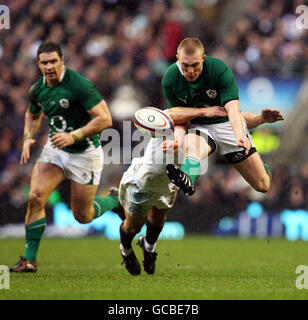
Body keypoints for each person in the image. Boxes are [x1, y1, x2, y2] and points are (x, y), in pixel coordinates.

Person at [118, 106, 284, 276]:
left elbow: (235, 120)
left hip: (169, 181)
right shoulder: (174, 114)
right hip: (145, 180)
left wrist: (260, 119)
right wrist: (197, 119)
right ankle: (125, 250)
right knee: (133, 227)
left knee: (158, 218)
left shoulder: (205, 120)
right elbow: (178, 121)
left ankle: (149, 248)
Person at [10, 41, 120, 273]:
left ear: (62, 61)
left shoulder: (79, 85)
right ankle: (29, 260)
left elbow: (105, 119)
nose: (49, 66)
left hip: (85, 153)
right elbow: (32, 114)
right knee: (36, 197)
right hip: (56, 150)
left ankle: (115, 201)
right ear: (38, 64)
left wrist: (74, 136)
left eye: (53, 61)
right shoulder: (37, 89)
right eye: (44, 62)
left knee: (82, 215)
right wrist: (28, 136)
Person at [162, 38, 284, 196]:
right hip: (200, 126)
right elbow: (180, 118)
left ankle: (261, 166)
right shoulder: (170, 79)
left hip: (227, 125)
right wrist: (178, 140)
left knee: (262, 185)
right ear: (178, 59)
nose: (190, 71)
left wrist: (240, 136)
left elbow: (233, 110)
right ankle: (187, 178)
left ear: (203, 58)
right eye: (185, 66)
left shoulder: (219, 70)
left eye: (195, 65)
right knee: (193, 146)